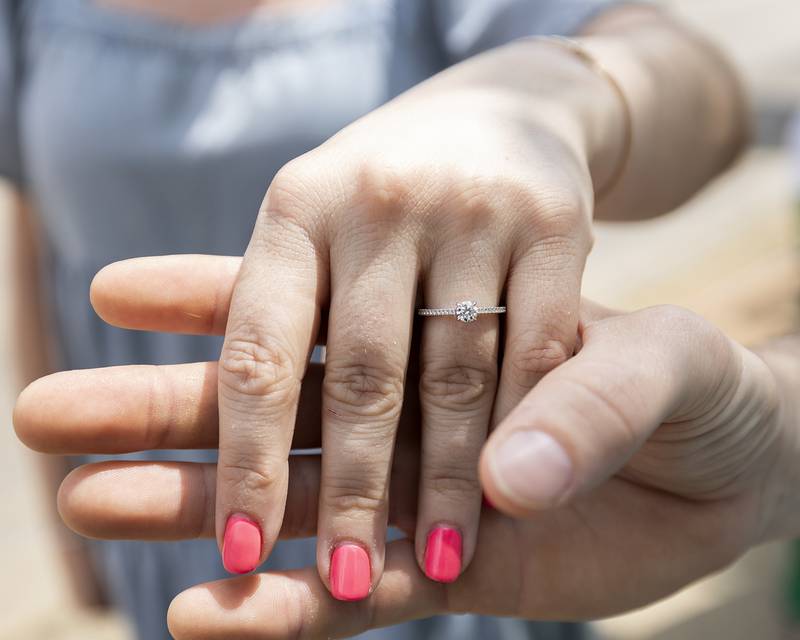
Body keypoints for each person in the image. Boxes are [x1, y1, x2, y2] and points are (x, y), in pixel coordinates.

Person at [3, 0, 746, 638]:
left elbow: (709, 100)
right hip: (169, 493)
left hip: (420, 498)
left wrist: (555, 98)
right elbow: (39, 235)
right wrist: (66, 517)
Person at [16, 257, 800, 640]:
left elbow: (694, 94)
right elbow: (32, 244)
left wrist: (567, 97)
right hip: (199, 469)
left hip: (443, 487)